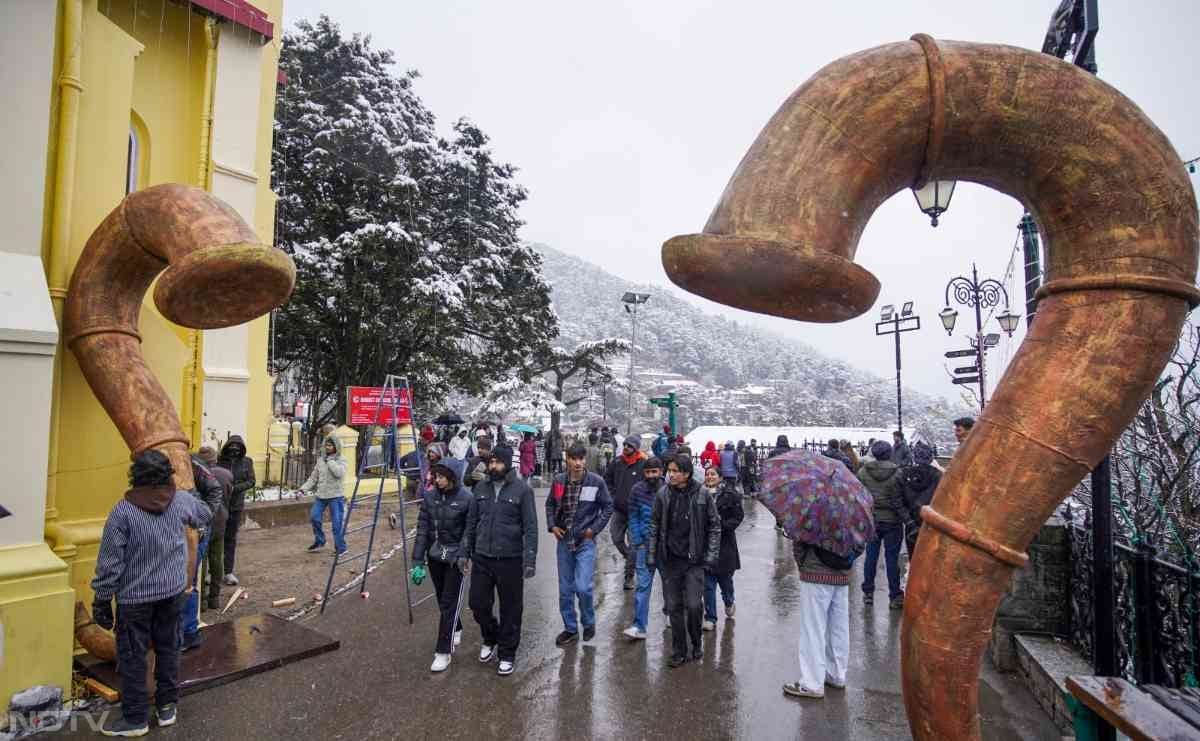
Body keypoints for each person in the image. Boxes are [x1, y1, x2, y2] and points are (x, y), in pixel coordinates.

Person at [91, 450, 211, 736]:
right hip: (173, 593)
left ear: (136, 476)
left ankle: (135, 719)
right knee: (169, 649)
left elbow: (110, 563)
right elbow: (206, 513)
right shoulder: (181, 501)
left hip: (135, 600)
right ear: (167, 475)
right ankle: (167, 707)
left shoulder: (123, 511)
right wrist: (189, 494)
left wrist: (102, 598)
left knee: (133, 657)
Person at [464, 444, 537, 676]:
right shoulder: (481, 489)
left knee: (511, 609)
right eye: (491, 462)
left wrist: (530, 559)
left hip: (510, 558)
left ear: (507, 464)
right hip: (483, 556)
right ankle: (490, 636)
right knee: (477, 603)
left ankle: (507, 652)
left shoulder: (522, 490)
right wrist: (465, 551)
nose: (492, 466)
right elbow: (471, 522)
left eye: (497, 462)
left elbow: (531, 528)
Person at [647, 455, 720, 667]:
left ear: (686, 474)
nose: (670, 474)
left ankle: (696, 643)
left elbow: (715, 526)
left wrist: (710, 556)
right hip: (670, 559)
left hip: (694, 561)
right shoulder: (663, 494)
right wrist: (652, 554)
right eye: (669, 470)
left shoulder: (702, 495)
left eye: (675, 471)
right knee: (673, 606)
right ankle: (679, 650)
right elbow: (654, 525)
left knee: (694, 605)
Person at [546, 443, 613, 646]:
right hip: (564, 541)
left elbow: (608, 506)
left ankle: (588, 622)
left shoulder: (596, 482)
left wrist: (594, 529)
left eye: (581, 459)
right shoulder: (559, 481)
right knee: (565, 589)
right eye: (574, 459)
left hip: (585, 541)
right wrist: (552, 526)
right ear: (567, 459)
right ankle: (570, 628)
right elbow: (550, 504)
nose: (578, 463)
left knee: (583, 587)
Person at [412, 460, 474, 672]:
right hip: (435, 556)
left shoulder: (467, 499)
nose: (436, 480)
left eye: (440, 476)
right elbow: (422, 530)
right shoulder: (430, 498)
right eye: (434, 476)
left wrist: (464, 556)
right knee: (441, 598)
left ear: (452, 476)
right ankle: (455, 626)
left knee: (449, 602)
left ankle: (443, 652)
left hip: (456, 558)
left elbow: (469, 532)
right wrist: (417, 561)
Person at [783, 540, 852, 700]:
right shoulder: (853, 514)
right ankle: (837, 674)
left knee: (813, 629)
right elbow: (862, 539)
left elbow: (799, 537)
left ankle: (812, 683)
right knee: (839, 628)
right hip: (842, 573)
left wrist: (802, 563)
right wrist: (849, 559)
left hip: (815, 572)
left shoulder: (813, 514)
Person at [181, 453, 224, 651]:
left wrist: (202, 518)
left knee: (188, 582)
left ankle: (188, 632)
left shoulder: (191, 462)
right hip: (172, 531)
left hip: (193, 532)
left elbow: (215, 489)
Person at [858, 440, 905, 608]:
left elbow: (860, 495)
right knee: (892, 559)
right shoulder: (898, 473)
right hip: (892, 520)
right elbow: (902, 496)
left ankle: (868, 592)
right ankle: (894, 595)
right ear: (889, 453)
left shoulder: (863, 472)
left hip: (872, 519)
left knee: (871, 556)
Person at [623, 456, 664, 640]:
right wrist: (638, 540)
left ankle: (671, 613)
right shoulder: (637, 490)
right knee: (642, 586)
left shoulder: (667, 490)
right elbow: (633, 516)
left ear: (661, 472)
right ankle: (640, 626)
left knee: (670, 586)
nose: (651, 475)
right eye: (647, 472)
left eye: (654, 472)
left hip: (665, 547)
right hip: (644, 546)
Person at [702, 466, 743, 631]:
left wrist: (722, 526)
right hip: (706, 546)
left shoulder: (730, 495)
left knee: (725, 582)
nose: (709, 476)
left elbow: (738, 517)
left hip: (725, 546)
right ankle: (710, 617)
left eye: (713, 474)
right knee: (708, 585)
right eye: (707, 474)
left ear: (720, 477)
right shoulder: (700, 494)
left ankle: (729, 601)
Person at [605, 435, 647, 590]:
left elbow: (649, 484)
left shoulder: (643, 463)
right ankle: (630, 557)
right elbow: (607, 480)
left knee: (634, 543)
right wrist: (612, 496)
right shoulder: (616, 462)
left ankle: (629, 576)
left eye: (629, 445)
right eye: (624, 445)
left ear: (635, 447)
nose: (626, 447)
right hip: (619, 509)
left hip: (636, 512)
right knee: (616, 538)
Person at [196, 446, 232, 611]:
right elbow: (229, 496)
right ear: (215, 459)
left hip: (203, 522)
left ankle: (201, 601)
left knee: (201, 562)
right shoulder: (226, 474)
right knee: (217, 560)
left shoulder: (197, 474)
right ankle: (215, 599)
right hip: (221, 521)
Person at [217, 435, 254, 588]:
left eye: (237, 448)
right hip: (220, 505)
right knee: (217, 538)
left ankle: (228, 571)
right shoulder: (220, 461)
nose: (234, 450)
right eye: (231, 447)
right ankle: (214, 572)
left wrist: (235, 489)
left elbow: (251, 481)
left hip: (236, 506)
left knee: (230, 539)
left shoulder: (247, 462)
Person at [301, 435, 348, 555]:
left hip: (336, 496)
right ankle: (320, 540)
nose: (328, 447)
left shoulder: (341, 459)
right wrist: (303, 489)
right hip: (321, 496)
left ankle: (341, 548)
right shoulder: (321, 460)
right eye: (326, 445)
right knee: (314, 517)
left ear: (336, 447)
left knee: (336, 524)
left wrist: (331, 461)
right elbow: (313, 478)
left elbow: (339, 473)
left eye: (330, 445)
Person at [898, 441, 941, 556]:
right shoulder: (938, 476)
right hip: (931, 524)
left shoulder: (904, 474)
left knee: (914, 558)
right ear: (931, 457)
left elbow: (898, 501)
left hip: (911, 523)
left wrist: (909, 521)